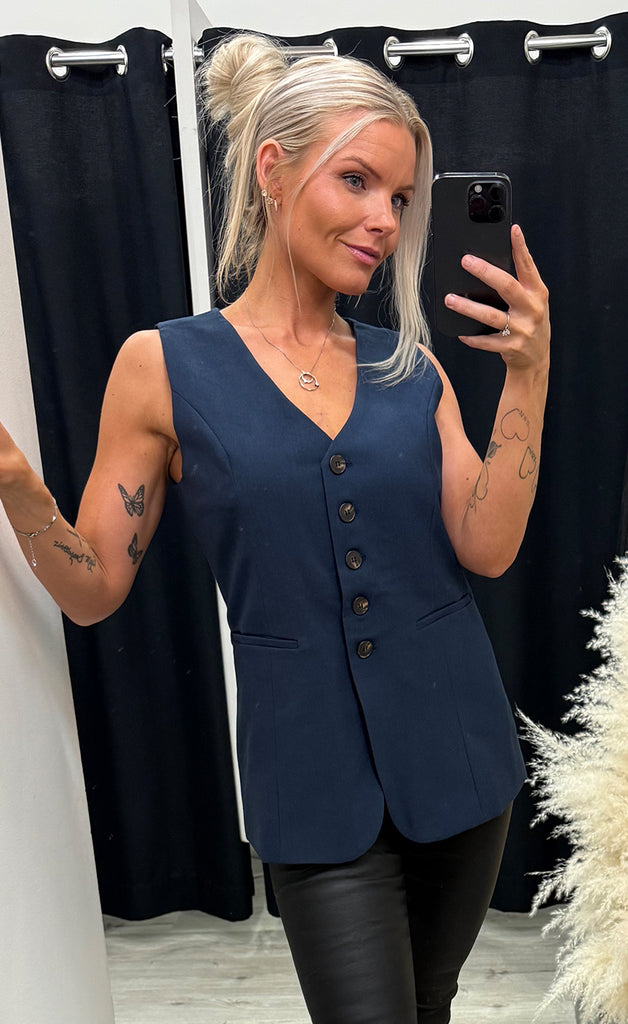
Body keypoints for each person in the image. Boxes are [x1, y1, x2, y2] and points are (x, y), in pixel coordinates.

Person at [0, 32, 550, 1024]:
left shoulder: (410, 368)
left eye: (401, 198)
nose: (384, 220)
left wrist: (527, 373)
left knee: (429, 1004)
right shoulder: (161, 368)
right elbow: (93, 591)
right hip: (310, 784)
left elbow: (489, 545)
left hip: (462, 761)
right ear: (272, 170)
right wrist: (14, 482)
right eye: (357, 181)